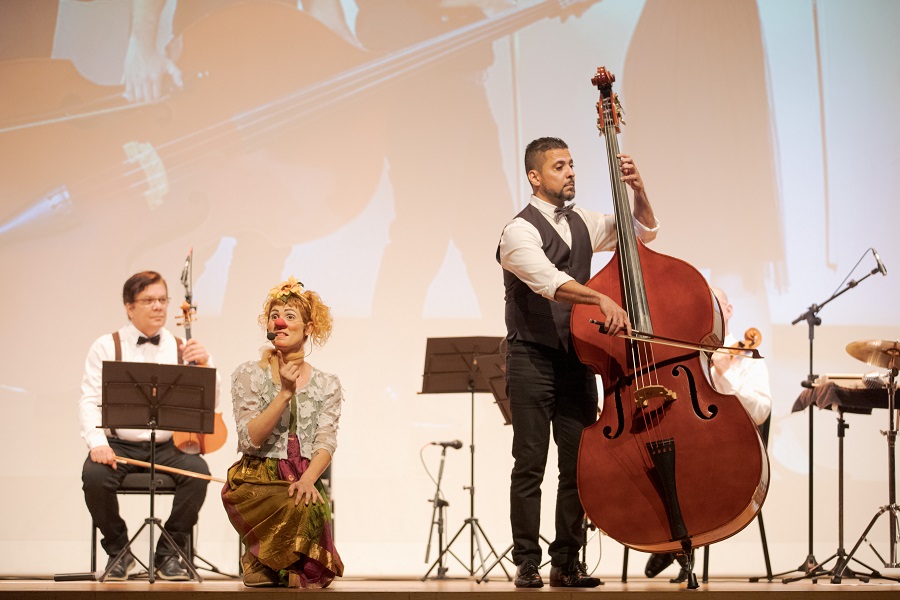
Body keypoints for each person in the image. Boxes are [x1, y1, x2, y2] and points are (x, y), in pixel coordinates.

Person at [497, 137, 658, 588]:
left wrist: (639, 192)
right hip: (531, 355)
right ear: (535, 176)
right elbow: (549, 281)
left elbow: (639, 234)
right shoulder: (518, 231)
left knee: (579, 465)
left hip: (577, 359)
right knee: (530, 462)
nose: (570, 172)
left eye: (571, 165)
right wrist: (600, 298)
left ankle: (567, 561)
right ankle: (527, 561)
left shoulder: (583, 220)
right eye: (559, 166)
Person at [79, 270, 221, 581]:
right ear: (129, 306)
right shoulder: (106, 346)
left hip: (167, 446)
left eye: (162, 300)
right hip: (119, 444)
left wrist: (207, 364)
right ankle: (119, 551)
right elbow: (89, 399)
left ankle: (168, 553)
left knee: (197, 473)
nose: (158, 307)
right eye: (148, 300)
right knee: (94, 475)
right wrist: (97, 443)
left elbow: (210, 403)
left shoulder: (182, 348)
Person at [222, 276, 344, 589]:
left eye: (290, 316)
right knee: (296, 504)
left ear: (309, 328)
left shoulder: (327, 383)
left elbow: (326, 440)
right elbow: (250, 438)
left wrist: (307, 479)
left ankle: (269, 564)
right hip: (257, 476)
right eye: (276, 315)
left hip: (302, 473)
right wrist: (284, 395)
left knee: (309, 503)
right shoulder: (248, 374)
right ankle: (260, 559)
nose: (280, 322)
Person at [643, 285, 773, 581]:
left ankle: (675, 541)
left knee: (691, 460)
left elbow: (761, 410)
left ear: (727, 311)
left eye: (715, 307)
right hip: (690, 451)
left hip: (734, 456)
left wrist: (725, 374)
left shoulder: (747, 357)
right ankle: (672, 539)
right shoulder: (685, 358)